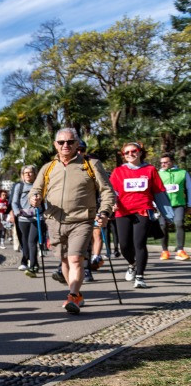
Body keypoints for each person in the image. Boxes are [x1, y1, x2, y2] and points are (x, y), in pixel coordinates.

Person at [29, 128, 114, 314]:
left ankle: (73, 296)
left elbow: (107, 191)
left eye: (69, 142)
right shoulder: (48, 167)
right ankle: (75, 294)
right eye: (61, 142)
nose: (65, 145)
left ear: (77, 144)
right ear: (55, 145)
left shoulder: (91, 164)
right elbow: (35, 190)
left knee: (75, 258)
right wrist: (34, 198)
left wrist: (105, 211)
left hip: (82, 220)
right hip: (54, 221)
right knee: (65, 261)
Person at [109, 141, 173, 288]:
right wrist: (110, 203)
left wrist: (167, 214)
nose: (130, 154)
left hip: (143, 210)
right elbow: (112, 191)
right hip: (123, 211)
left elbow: (159, 192)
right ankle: (132, 263)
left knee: (139, 243)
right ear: (123, 155)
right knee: (124, 246)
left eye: (134, 151)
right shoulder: (118, 171)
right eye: (127, 152)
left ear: (140, 152)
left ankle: (140, 276)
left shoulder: (150, 170)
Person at [158, 153, 191, 261]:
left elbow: (189, 189)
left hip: (178, 204)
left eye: (166, 162)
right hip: (163, 205)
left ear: (172, 162)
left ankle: (180, 250)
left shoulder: (182, 173)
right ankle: (164, 251)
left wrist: (189, 205)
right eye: (162, 162)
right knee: (162, 226)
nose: (163, 164)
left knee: (179, 223)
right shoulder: (157, 174)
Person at [11, 165, 40, 276]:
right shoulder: (20, 186)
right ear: (22, 175)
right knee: (25, 241)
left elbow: (45, 201)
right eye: (25, 173)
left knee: (32, 241)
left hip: (36, 217)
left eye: (30, 172)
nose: (28, 174)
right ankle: (29, 260)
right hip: (23, 218)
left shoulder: (39, 186)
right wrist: (18, 212)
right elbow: (14, 202)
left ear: (35, 174)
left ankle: (32, 266)